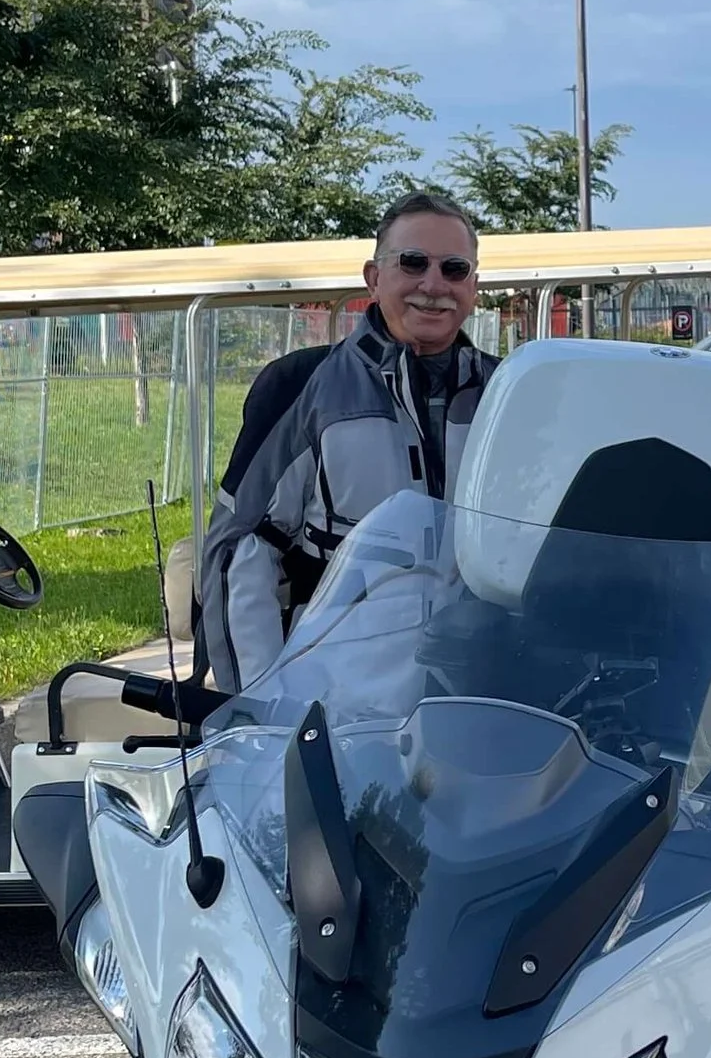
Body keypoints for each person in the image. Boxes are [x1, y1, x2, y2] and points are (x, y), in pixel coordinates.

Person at [195, 191, 497, 692]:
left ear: (475, 287)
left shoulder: (508, 391)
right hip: (338, 705)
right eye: (413, 262)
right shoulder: (299, 386)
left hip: (476, 699)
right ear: (374, 279)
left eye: (454, 269)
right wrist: (261, 711)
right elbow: (241, 553)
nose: (433, 284)